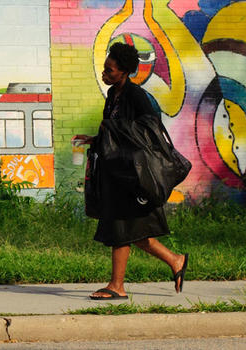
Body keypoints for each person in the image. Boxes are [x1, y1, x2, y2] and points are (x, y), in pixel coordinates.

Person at [77, 42, 188, 300]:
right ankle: (176, 261)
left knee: (122, 229)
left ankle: (117, 286)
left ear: (125, 71)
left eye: (110, 70)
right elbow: (114, 134)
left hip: (132, 175)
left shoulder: (135, 95)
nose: (105, 74)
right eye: (105, 69)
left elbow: (150, 127)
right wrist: (95, 138)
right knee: (134, 232)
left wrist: (113, 129)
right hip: (117, 173)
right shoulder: (113, 96)